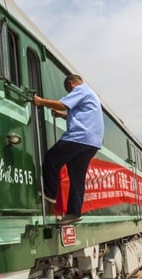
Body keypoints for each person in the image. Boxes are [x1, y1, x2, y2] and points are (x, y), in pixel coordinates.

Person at [33, 74, 104, 225]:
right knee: (77, 178)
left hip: (79, 137)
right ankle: (74, 213)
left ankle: (49, 199)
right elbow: (81, 116)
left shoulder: (80, 89)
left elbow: (62, 104)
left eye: (68, 91)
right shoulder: (92, 95)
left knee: (51, 160)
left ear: (71, 84)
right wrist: (61, 115)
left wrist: (40, 102)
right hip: (92, 142)